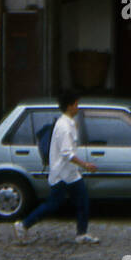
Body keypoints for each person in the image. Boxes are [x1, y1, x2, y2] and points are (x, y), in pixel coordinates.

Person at [15, 91, 99, 244]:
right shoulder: (64, 127)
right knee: (53, 204)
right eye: (76, 104)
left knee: (82, 201)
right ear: (70, 106)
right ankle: (23, 225)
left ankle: (82, 234)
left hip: (70, 173)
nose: (78, 107)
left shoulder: (68, 123)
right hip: (62, 174)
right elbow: (67, 153)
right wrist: (85, 165)